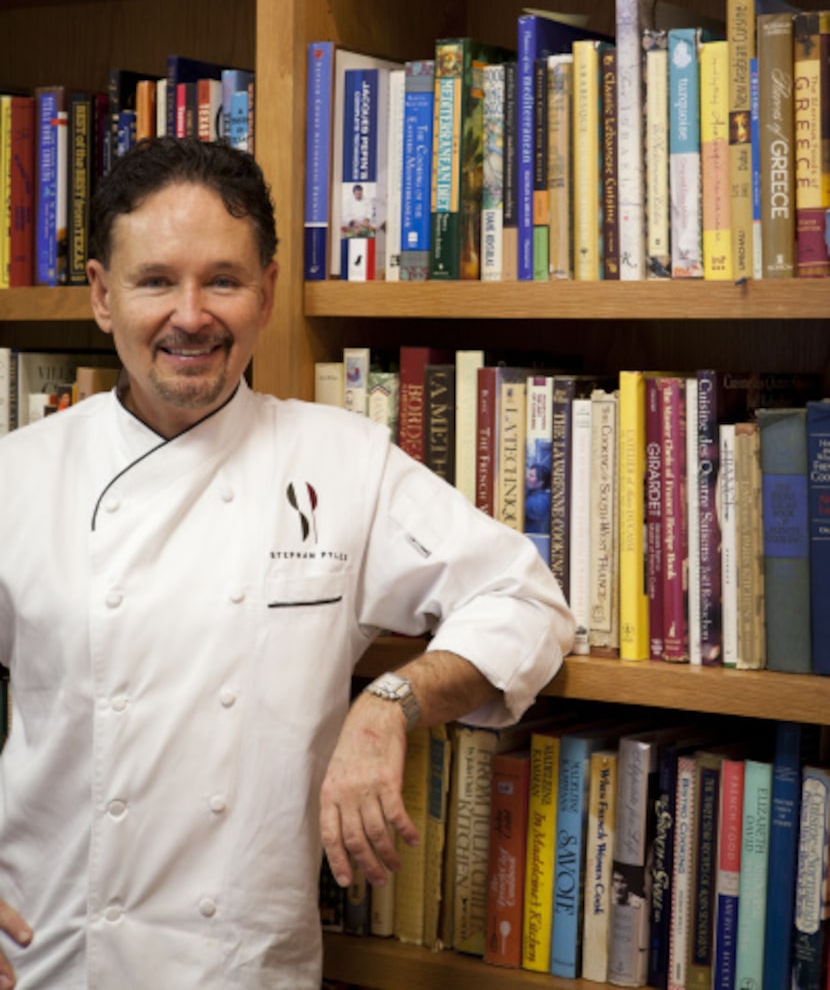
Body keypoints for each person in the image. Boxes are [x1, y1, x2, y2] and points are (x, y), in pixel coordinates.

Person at [0, 135, 575, 989]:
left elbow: (527, 601)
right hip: (45, 956)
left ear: (267, 294)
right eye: (156, 279)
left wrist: (390, 704)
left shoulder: (340, 462)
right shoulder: (20, 472)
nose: (191, 315)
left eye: (223, 280)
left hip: (241, 968)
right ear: (101, 295)